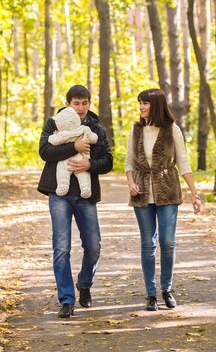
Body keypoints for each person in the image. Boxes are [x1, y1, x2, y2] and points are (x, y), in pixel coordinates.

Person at [37, 85, 113, 318]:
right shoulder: (54, 123)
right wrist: (74, 147)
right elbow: (45, 151)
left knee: (93, 247)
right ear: (68, 103)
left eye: (84, 103)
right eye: (76, 103)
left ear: (90, 103)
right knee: (62, 248)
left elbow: (108, 161)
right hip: (58, 194)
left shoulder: (97, 129)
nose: (80, 108)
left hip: (86, 195)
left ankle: (85, 284)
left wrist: (90, 164)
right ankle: (67, 300)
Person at [125, 88, 202, 311]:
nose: (141, 107)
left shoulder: (172, 129)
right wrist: (131, 183)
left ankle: (166, 289)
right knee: (148, 243)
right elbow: (129, 162)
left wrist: (194, 194)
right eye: (139, 103)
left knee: (167, 242)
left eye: (145, 103)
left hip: (167, 189)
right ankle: (151, 295)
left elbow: (183, 163)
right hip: (141, 193)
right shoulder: (136, 130)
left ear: (155, 105)